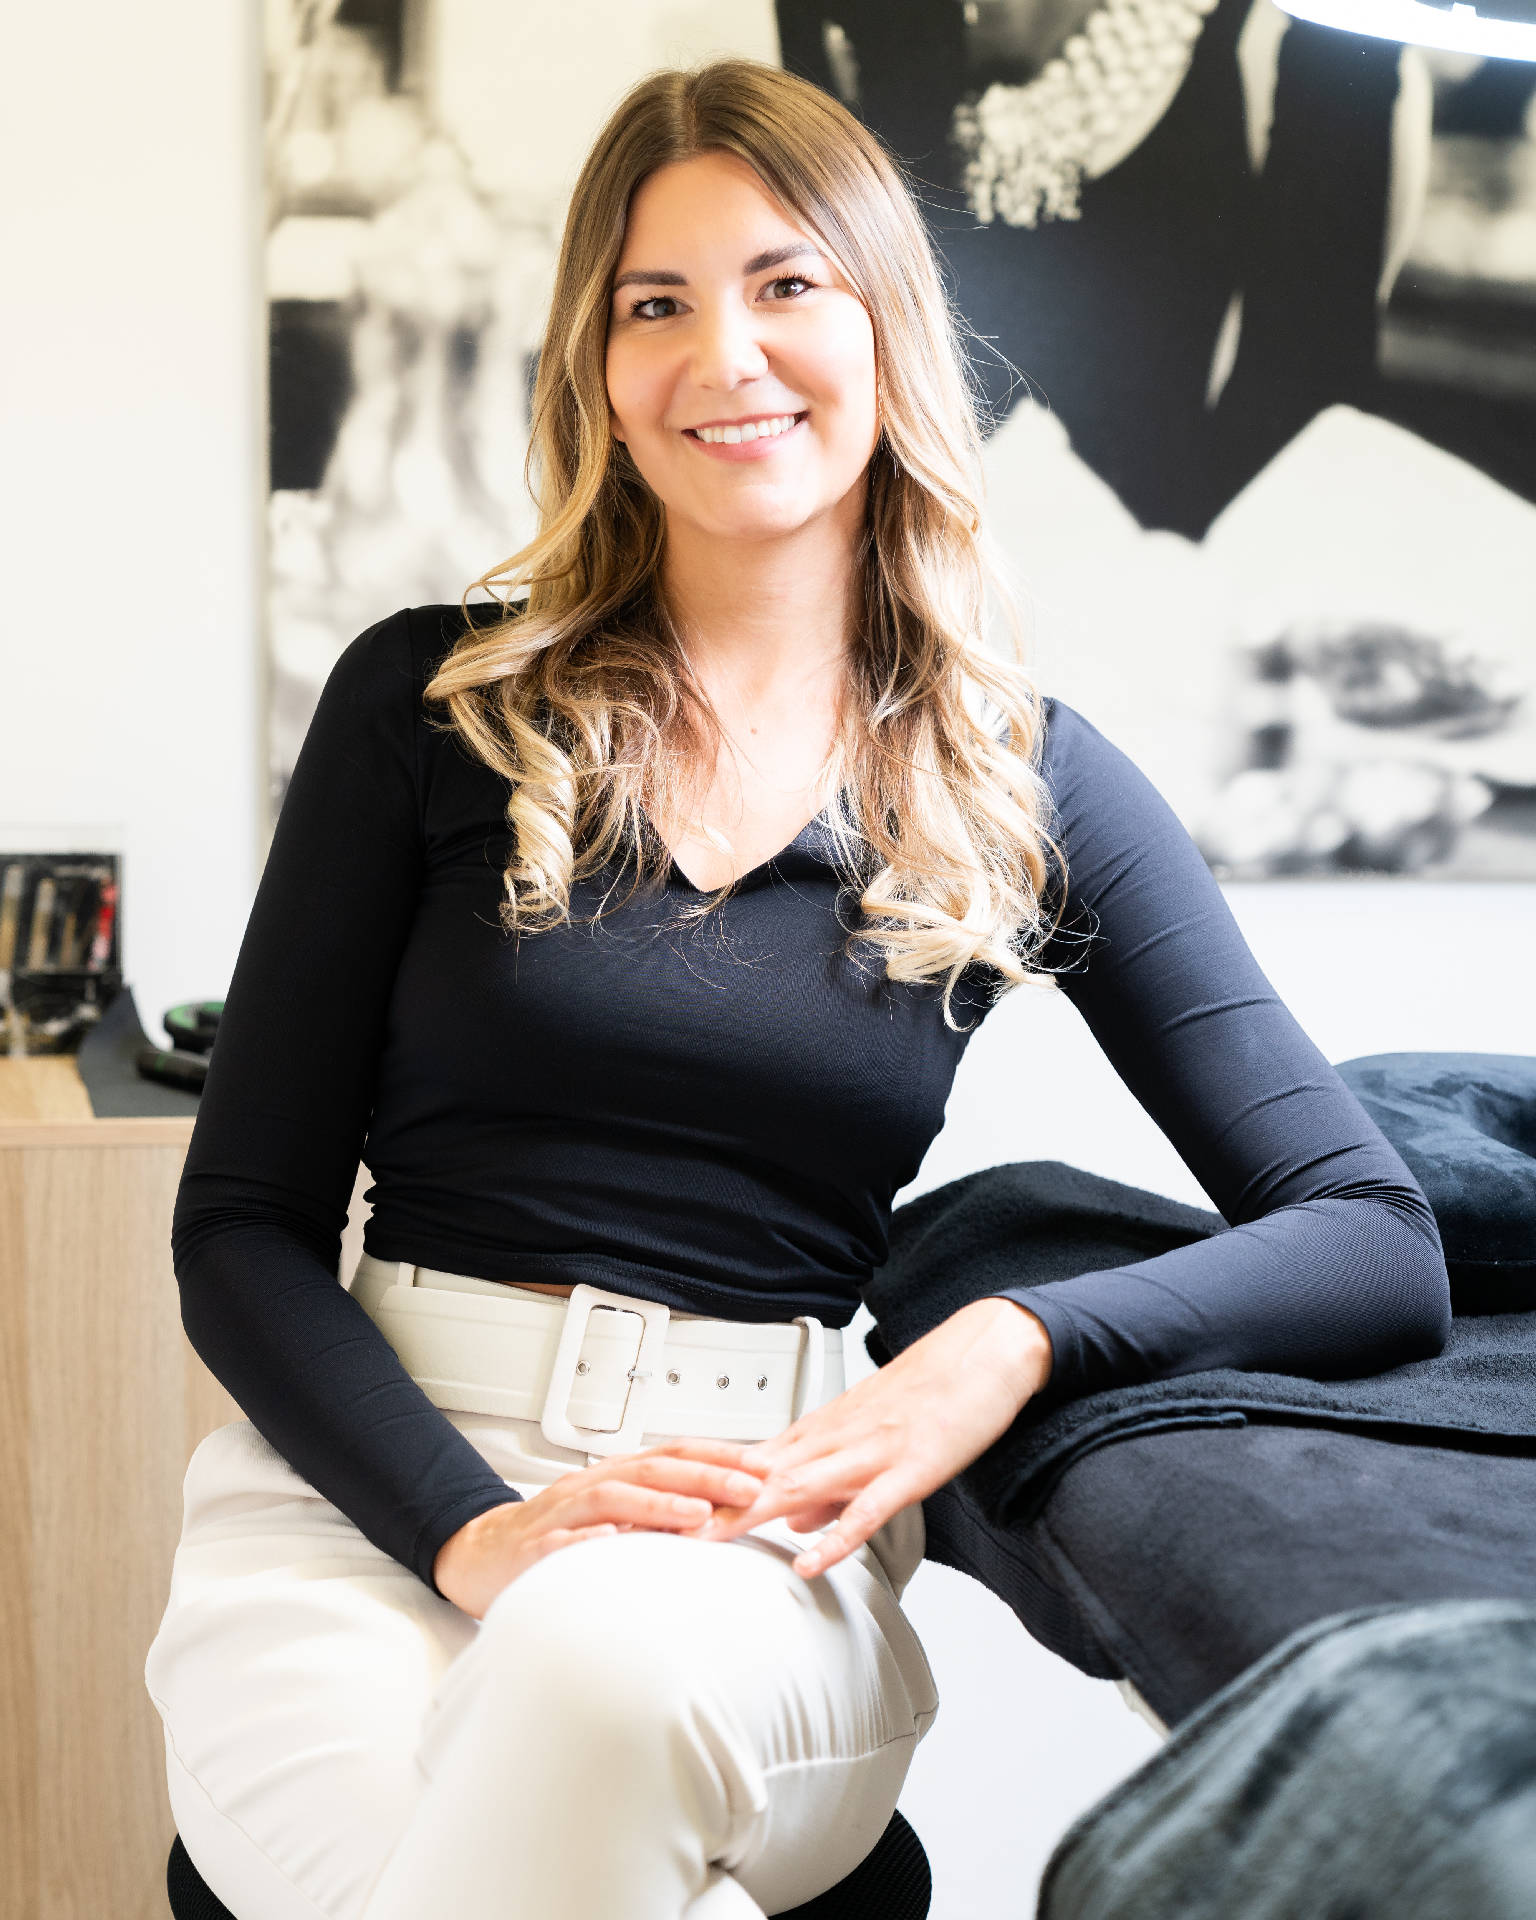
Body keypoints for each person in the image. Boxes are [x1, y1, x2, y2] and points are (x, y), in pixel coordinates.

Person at [143, 57, 1450, 1920]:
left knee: (594, 1678)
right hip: (365, 1509)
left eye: (784, 284)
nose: (724, 355)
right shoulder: (431, 708)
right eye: (653, 305)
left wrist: (1003, 1346)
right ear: (596, 368)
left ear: (883, 323)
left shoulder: (1027, 783)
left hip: (757, 1529)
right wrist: (471, 1532)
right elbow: (242, 1225)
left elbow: (1371, 1238)